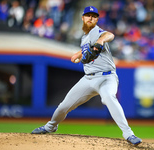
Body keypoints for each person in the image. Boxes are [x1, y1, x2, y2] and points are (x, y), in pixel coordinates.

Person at [31, 6, 142, 146]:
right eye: (88, 15)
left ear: (97, 20)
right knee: (63, 107)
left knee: (108, 97)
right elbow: (87, 48)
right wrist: (78, 54)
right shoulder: (84, 37)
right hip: (88, 79)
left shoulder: (98, 32)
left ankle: (129, 134)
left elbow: (109, 35)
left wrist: (101, 41)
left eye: (94, 16)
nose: (91, 18)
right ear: (83, 18)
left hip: (107, 77)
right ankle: (50, 126)